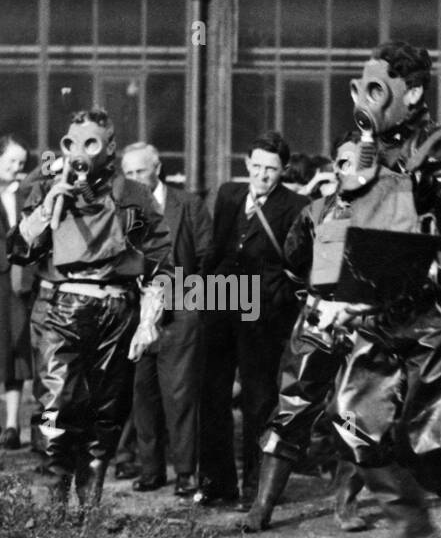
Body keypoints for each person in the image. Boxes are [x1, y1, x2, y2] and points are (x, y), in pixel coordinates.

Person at [310, 41, 441, 538]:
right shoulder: (361, 154)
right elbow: (342, 230)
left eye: (378, 89)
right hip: (380, 313)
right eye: (361, 88)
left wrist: (407, 270)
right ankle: (411, 527)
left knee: (431, 440)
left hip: (440, 318)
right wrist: (337, 292)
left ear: (412, 92)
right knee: (354, 421)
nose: (365, 100)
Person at [6, 109, 171, 513]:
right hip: (59, 307)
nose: (81, 152)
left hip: (115, 309)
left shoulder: (133, 195)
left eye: (93, 143)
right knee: (53, 409)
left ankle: (90, 510)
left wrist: (149, 321)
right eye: (73, 142)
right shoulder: (45, 187)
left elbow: (161, 264)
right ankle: (51, 512)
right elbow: (18, 249)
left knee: (106, 412)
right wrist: (46, 210)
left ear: (110, 147)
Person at [241, 131, 373, 534]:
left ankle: (346, 504)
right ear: (335, 165)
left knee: (358, 414)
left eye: (364, 164)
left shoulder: (393, 212)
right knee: (291, 408)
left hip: (369, 324)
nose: (353, 172)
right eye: (346, 163)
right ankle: (262, 506)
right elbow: (294, 260)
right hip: (318, 319)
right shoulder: (315, 212)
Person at [197, 130, 309, 506]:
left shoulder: (295, 205)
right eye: (257, 166)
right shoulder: (229, 194)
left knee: (258, 398)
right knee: (211, 391)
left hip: (260, 308)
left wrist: (278, 300)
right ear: (246, 164)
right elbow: (215, 247)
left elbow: (297, 264)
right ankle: (216, 484)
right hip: (220, 298)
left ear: (284, 170)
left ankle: (254, 489)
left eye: (271, 169)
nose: (262, 175)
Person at [120, 142, 213, 496]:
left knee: (179, 396)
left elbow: (206, 256)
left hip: (180, 312)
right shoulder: (123, 210)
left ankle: (187, 474)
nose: (133, 179)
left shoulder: (187, 205)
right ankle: (151, 470)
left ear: (156, 168)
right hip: (138, 316)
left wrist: (190, 303)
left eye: (139, 171)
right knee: (143, 395)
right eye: (126, 173)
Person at [0, 134, 36, 452]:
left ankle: (12, 426)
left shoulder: (23, 194)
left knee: (15, 349)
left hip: (14, 281)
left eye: (22, 163)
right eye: (11, 161)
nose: (17, 168)